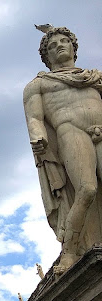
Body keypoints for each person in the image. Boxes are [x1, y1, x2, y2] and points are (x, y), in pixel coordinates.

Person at [23, 25, 102, 274]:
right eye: (52, 45)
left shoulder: (95, 77)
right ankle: (70, 253)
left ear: (73, 47)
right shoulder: (38, 85)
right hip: (71, 131)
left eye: (64, 41)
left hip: (101, 130)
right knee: (87, 189)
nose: (59, 45)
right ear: (47, 56)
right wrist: (38, 137)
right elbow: (35, 117)